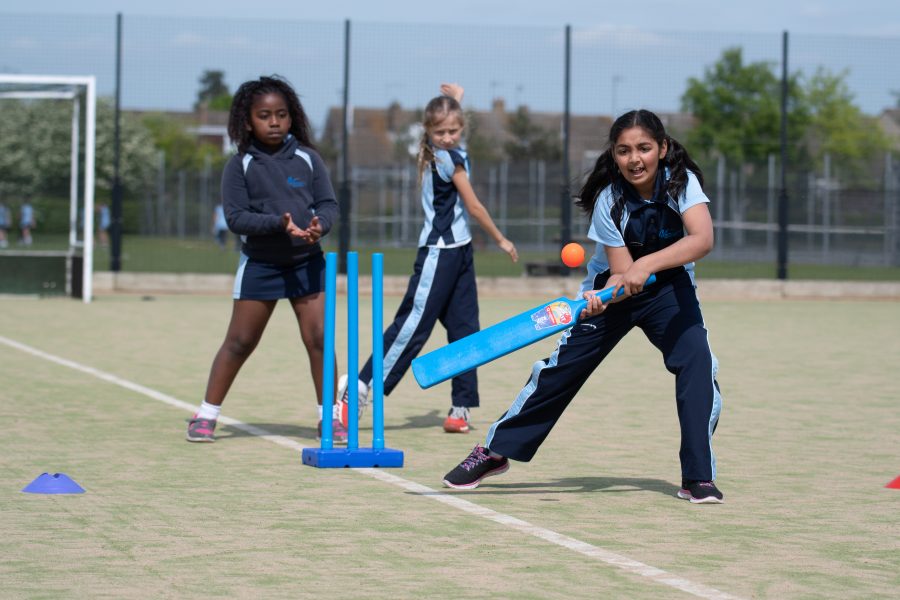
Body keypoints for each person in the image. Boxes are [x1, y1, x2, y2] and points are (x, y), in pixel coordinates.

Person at [442, 109, 725, 504]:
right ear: (614, 154)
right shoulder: (610, 199)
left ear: (662, 149)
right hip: (611, 292)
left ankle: (698, 476)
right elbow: (623, 272)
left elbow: (702, 239)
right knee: (559, 371)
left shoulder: (682, 183)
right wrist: (601, 297)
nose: (635, 159)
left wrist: (647, 265)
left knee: (697, 361)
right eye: (624, 151)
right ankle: (494, 451)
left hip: (670, 290)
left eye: (644, 148)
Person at [337, 83, 518, 434]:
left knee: (466, 333)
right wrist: (500, 239)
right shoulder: (447, 158)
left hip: (461, 252)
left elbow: (450, 127)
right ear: (428, 132)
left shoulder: (449, 147)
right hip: (439, 254)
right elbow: (474, 206)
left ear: (462, 128)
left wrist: (455, 102)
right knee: (411, 328)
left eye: (453, 130)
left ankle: (461, 407)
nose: (448, 137)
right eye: (440, 132)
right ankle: (359, 389)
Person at [186, 75, 345, 444]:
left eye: (281, 114)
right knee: (240, 341)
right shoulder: (239, 165)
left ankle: (330, 419)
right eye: (264, 115)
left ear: (292, 118)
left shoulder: (308, 158)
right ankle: (206, 414)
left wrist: (321, 226)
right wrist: (279, 224)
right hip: (262, 264)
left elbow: (328, 204)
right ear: (247, 121)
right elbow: (236, 217)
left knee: (319, 337)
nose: (274, 122)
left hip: (307, 262)